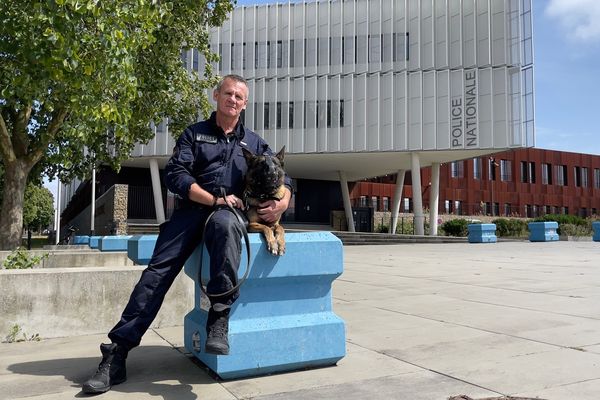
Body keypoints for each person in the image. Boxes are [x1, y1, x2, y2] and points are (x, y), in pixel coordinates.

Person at [82, 74, 292, 394]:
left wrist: (283, 202)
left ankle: (218, 320)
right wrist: (212, 198)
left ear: (244, 104)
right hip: (191, 212)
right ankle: (117, 354)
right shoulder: (194, 135)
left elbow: (281, 174)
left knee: (225, 228)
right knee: (156, 275)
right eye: (228, 94)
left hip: (227, 214)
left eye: (239, 96)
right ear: (216, 95)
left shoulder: (253, 142)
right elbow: (175, 175)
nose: (232, 100)